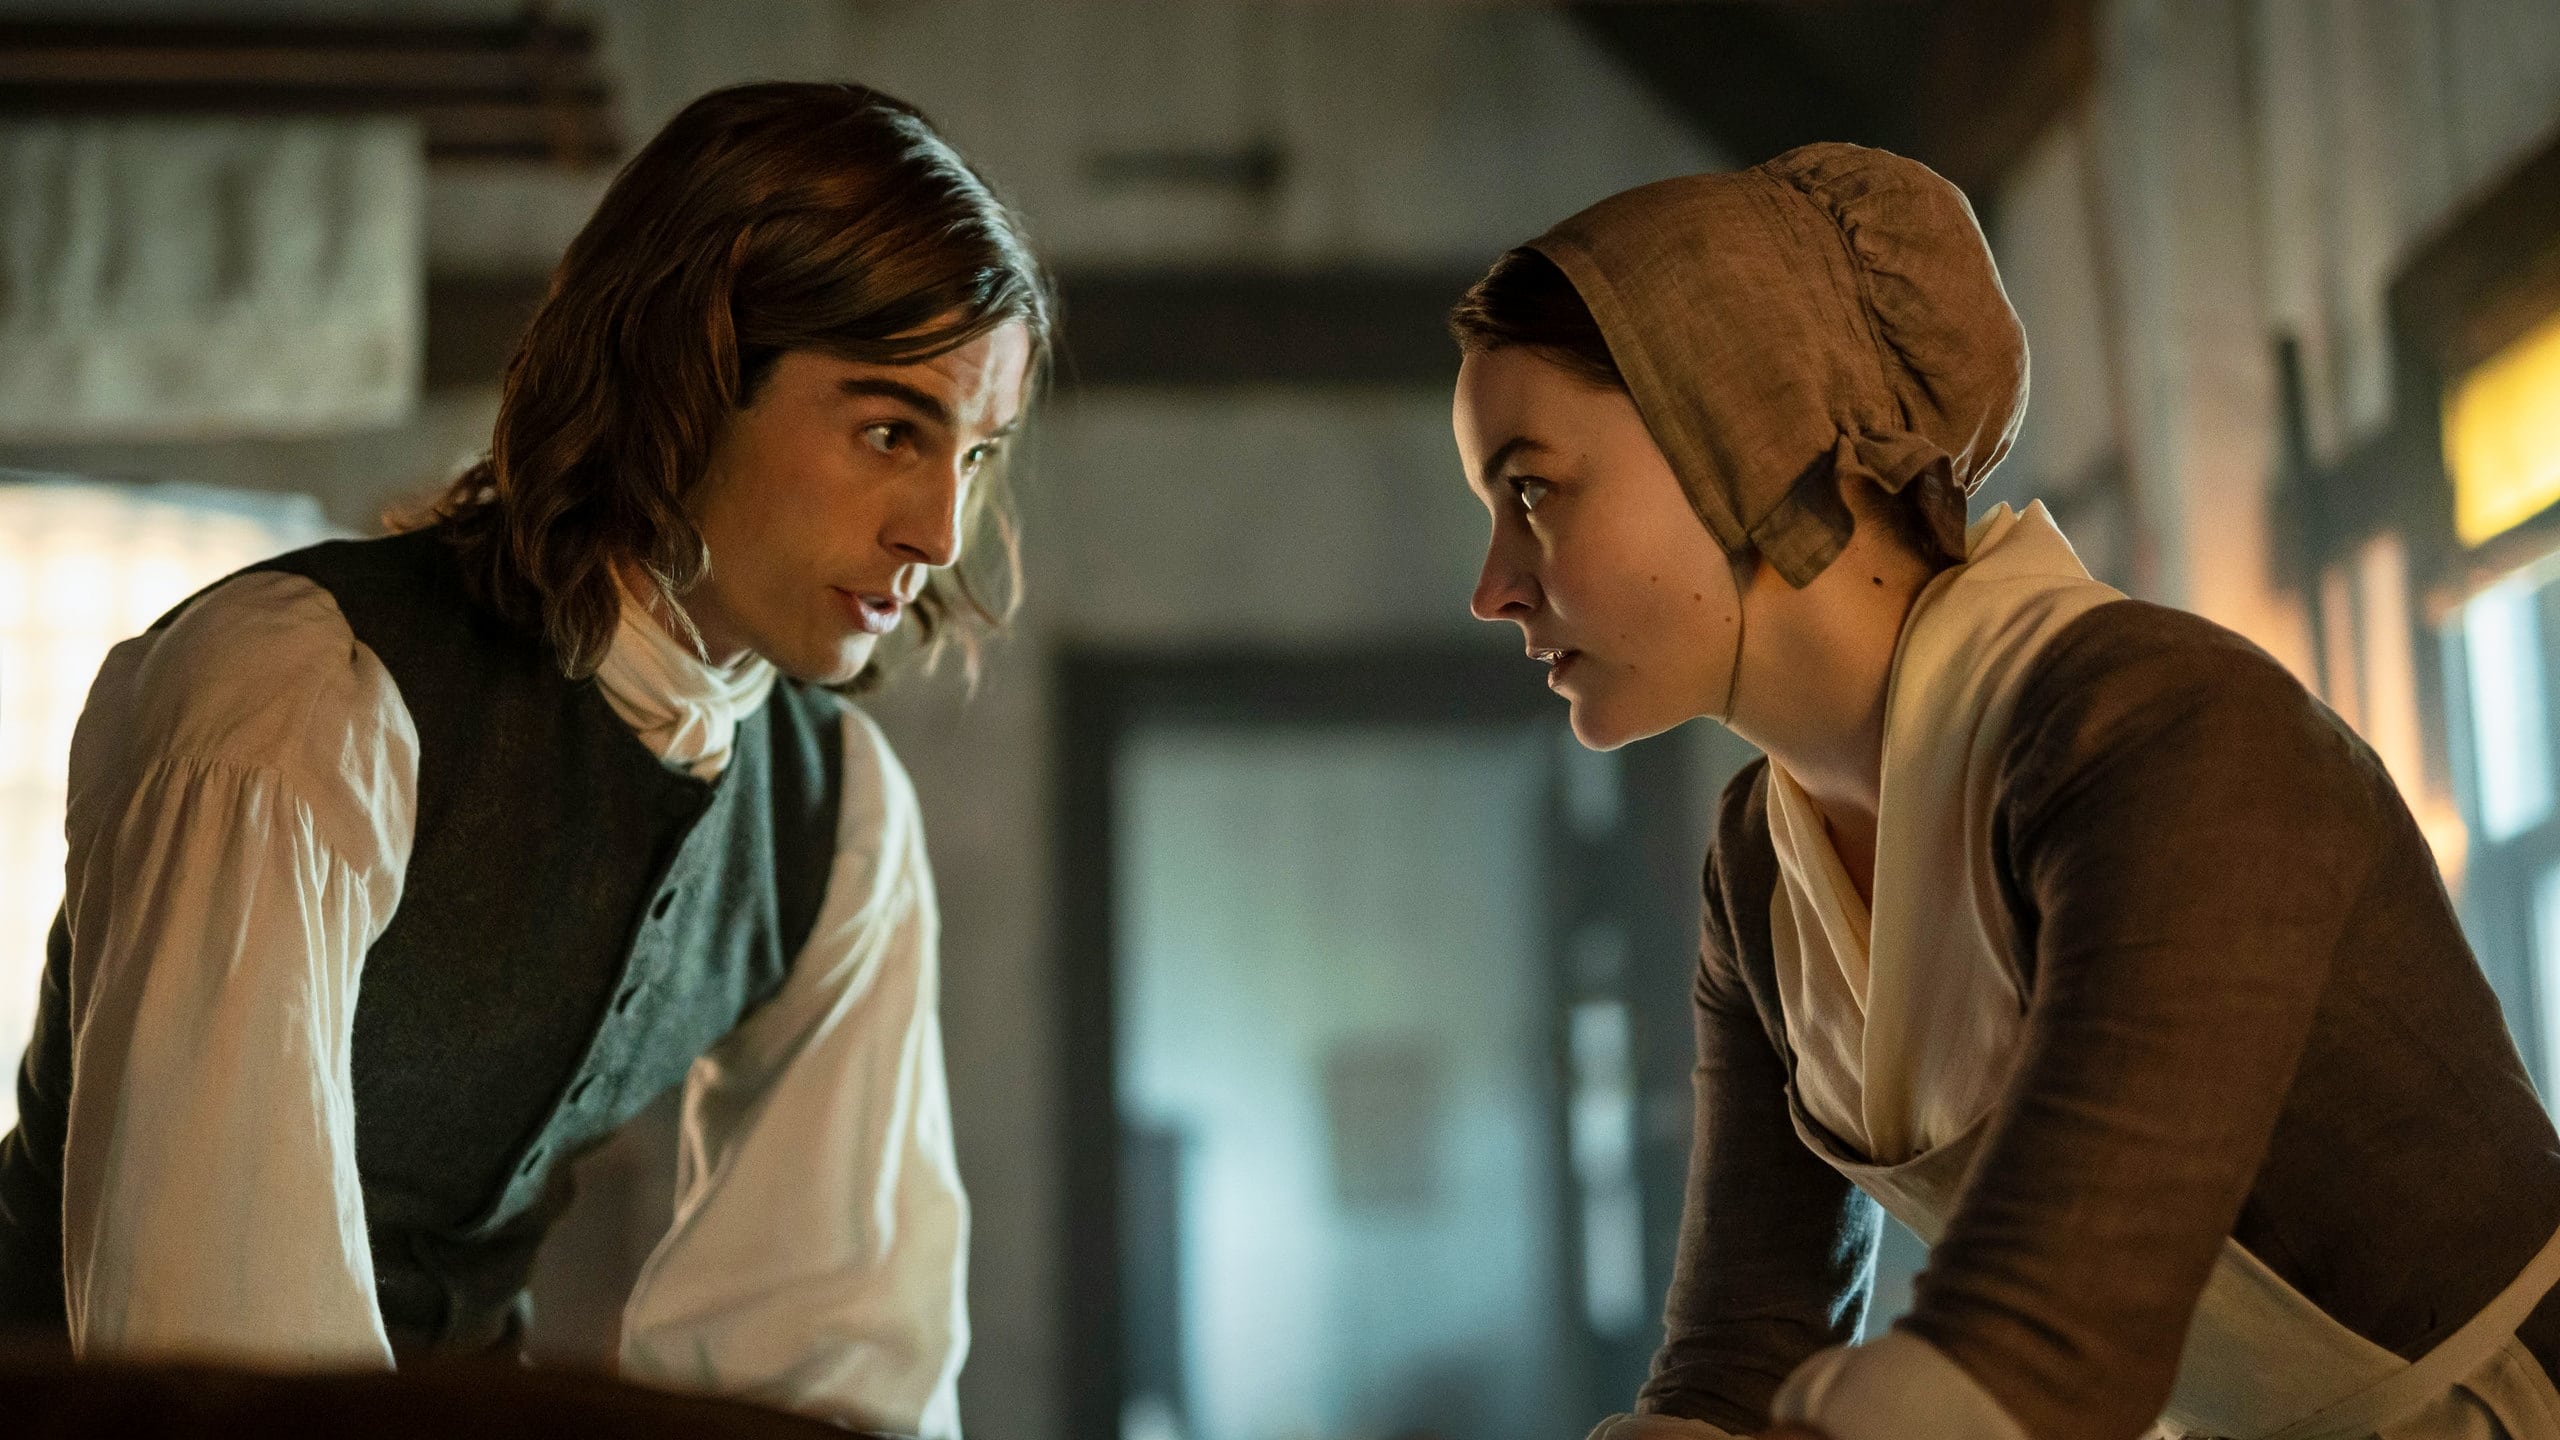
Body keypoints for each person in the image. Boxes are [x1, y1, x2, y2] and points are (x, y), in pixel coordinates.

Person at [1448, 143, 2560, 1440]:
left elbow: (2044, 1355)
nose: (1493, 587)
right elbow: (1737, 1365)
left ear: (1739, 432)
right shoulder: (1759, 869)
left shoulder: (2166, 732)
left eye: (1534, 490)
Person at [0, 81, 1049, 1440]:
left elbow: (838, 1357)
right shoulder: (298, 699)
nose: (939, 532)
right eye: (891, 431)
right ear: (686, 377)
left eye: (976, 452)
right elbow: (210, 1338)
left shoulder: (837, 818)